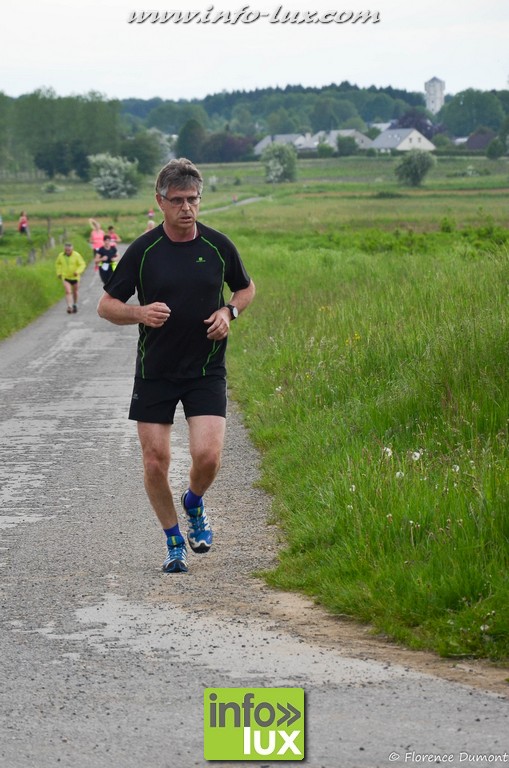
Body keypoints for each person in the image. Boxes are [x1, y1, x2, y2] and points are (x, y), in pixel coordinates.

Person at [97, 158, 255, 574]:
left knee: (208, 457)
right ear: (160, 201)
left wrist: (229, 313)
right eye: (178, 200)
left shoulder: (218, 246)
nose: (187, 208)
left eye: (193, 199)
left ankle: (194, 502)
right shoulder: (143, 250)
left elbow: (245, 288)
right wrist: (140, 313)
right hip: (156, 371)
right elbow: (106, 305)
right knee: (155, 461)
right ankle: (173, 541)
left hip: (206, 368)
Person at [55, 242, 86, 313]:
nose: (68, 252)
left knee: (75, 291)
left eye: (69, 250)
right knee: (68, 291)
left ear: (72, 249)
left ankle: (74, 304)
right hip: (65, 276)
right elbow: (58, 264)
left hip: (75, 277)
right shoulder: (61, 255)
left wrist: (77, 271)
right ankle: (69, 306)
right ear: (64, 249)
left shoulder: (76, 255)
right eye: (66, 250)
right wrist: (59, 273)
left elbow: (82, 264)